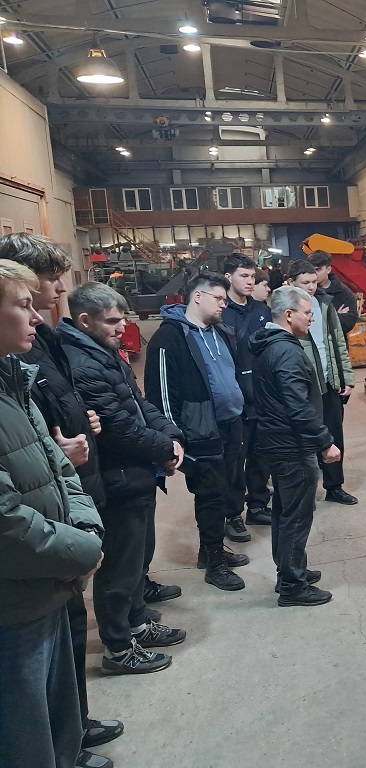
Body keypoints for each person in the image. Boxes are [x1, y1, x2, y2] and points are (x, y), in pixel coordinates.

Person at [0, 235, 123, 768]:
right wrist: (82, 550)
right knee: (24, 729)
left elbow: (58, 467)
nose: (40, 314)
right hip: (18, 594)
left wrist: (85, 534)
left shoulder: (13, 381)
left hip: (52, 574)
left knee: (55, 709)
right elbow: (7, 520)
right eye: (24, 304)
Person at [60, 283, 186, 675]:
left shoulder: (105, 353)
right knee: (119, 568)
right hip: (118, 477)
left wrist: (171, 436)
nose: (122, 328)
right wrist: (163, 448)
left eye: (123, 318)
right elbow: (118, 428)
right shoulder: (83, 364)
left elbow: (139, 404)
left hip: (136, 472)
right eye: (112, 321)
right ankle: (118, 649)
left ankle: (137, 623)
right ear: (85, 321)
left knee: (136, 560)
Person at [144, 273, 249, 591]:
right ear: (198, 297)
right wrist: (172, 437)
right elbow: (161, 394)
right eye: (219, 298)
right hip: (200, 429)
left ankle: (210, 550)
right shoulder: (169, 338)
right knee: (210, 495)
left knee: (226, 489)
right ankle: (214, 564)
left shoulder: (221, 332)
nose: (224, 304)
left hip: (231, 424)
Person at [249, 286, 340, 606]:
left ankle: (289, 569)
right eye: (308, 313)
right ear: (289, 315)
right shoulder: (285, 352)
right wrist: (325, 442)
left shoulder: (273, 345)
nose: (312, 318)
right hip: (291, 444)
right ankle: (292, 585)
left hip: (280, 442)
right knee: (296, 516)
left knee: (285, 512)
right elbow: (297, 406)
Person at [288, 261, 357, 505]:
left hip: (328, 383)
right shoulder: (284, 309)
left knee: (334, 435)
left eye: (314, 282)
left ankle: (334, 486)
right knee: (302, 440)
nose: (310, 287)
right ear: (291, 282)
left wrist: (346, 377)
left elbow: (338, 342)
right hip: (302, 387)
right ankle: (303, 493)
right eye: (304, 283)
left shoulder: (325, 304)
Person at [221, 254, 273, 528]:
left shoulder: (262, 310)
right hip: (234, 399)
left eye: (252, 276)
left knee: (261, 456)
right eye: (244, 276)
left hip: (262, 396)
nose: (250, 281)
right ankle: (232, 515)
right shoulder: (221, 312)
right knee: (234, 460)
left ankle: (258, 506)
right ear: (228, 277)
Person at [307, 249, 359, 334]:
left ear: (328, 269)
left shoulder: (343, 292)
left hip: (336, 340)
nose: (314, 274)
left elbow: (348, 323)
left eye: (318, 269)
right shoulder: (307, 291)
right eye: (311, 270)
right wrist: (335, 316)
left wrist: (327, 318)